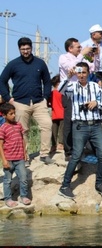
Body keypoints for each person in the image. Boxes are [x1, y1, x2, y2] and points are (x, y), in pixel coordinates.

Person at [58, 62, 102, 199]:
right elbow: (60, 90)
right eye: (79, 72)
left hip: (96, 125)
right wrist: (68, 77)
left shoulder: (94, 86)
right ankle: (64, 186)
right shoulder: (72, 86)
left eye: (84, 72)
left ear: (88, 73)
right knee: (76, 155)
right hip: (80, 126)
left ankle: (99, 184)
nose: (81, 75)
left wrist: (96, 103)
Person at [0, 37, 54, 165]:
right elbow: (2, 81)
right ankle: (25, 157)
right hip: (19, 102)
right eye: (23, 49)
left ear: (31, 48)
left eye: (28, 48)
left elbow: (47, 81)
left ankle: (45, 154)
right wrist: (8, 98)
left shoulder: (40, 63)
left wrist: (46, 97)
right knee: (23, 130)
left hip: (38, 101)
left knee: (47, 124)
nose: (25, 51)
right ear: (19, 49)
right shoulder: (13, 64)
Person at [58, 37, 94, 161]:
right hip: (68, 92)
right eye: (78, 47)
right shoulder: (64, 57)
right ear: (70, 48)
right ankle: (68, 151)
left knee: (82, 119)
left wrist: (93, 57)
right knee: (69, 121)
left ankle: (82, 147)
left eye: (80, 47)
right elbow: (71, 68)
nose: (80, 49)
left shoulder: (81, 57)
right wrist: (82, 55)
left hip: (82, 92)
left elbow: (92, 68)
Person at [0, 103, 31, 208]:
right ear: (4, 115)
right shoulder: (3, 128)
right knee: (7, 180)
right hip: (8, 159)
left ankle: (24, 196)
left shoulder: (18, 125)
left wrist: (25, 152)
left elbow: (22, 139)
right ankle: (8, 199)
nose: (13, 115)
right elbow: (0, 145)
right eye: (11, 114)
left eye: (14, 113)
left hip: (19, 158)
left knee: (23, 177)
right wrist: (4, 160)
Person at [48, 74, 64, 152]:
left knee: (54, 130)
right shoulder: (62, 92)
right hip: (62, 113)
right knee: (62, 129)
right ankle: (61, 144)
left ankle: (53, 145)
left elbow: (48, 103)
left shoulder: (51, 93)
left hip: (54, 114)